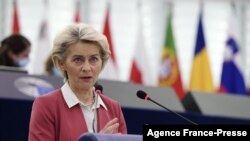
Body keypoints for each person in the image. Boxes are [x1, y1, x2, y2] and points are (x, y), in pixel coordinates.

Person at [29, 23, 127, 141]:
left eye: (94, 59)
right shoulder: (46, 105)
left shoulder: (113, 107)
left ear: (102, 62)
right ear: (62, 63)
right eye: (78, 60)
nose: (87, 68)